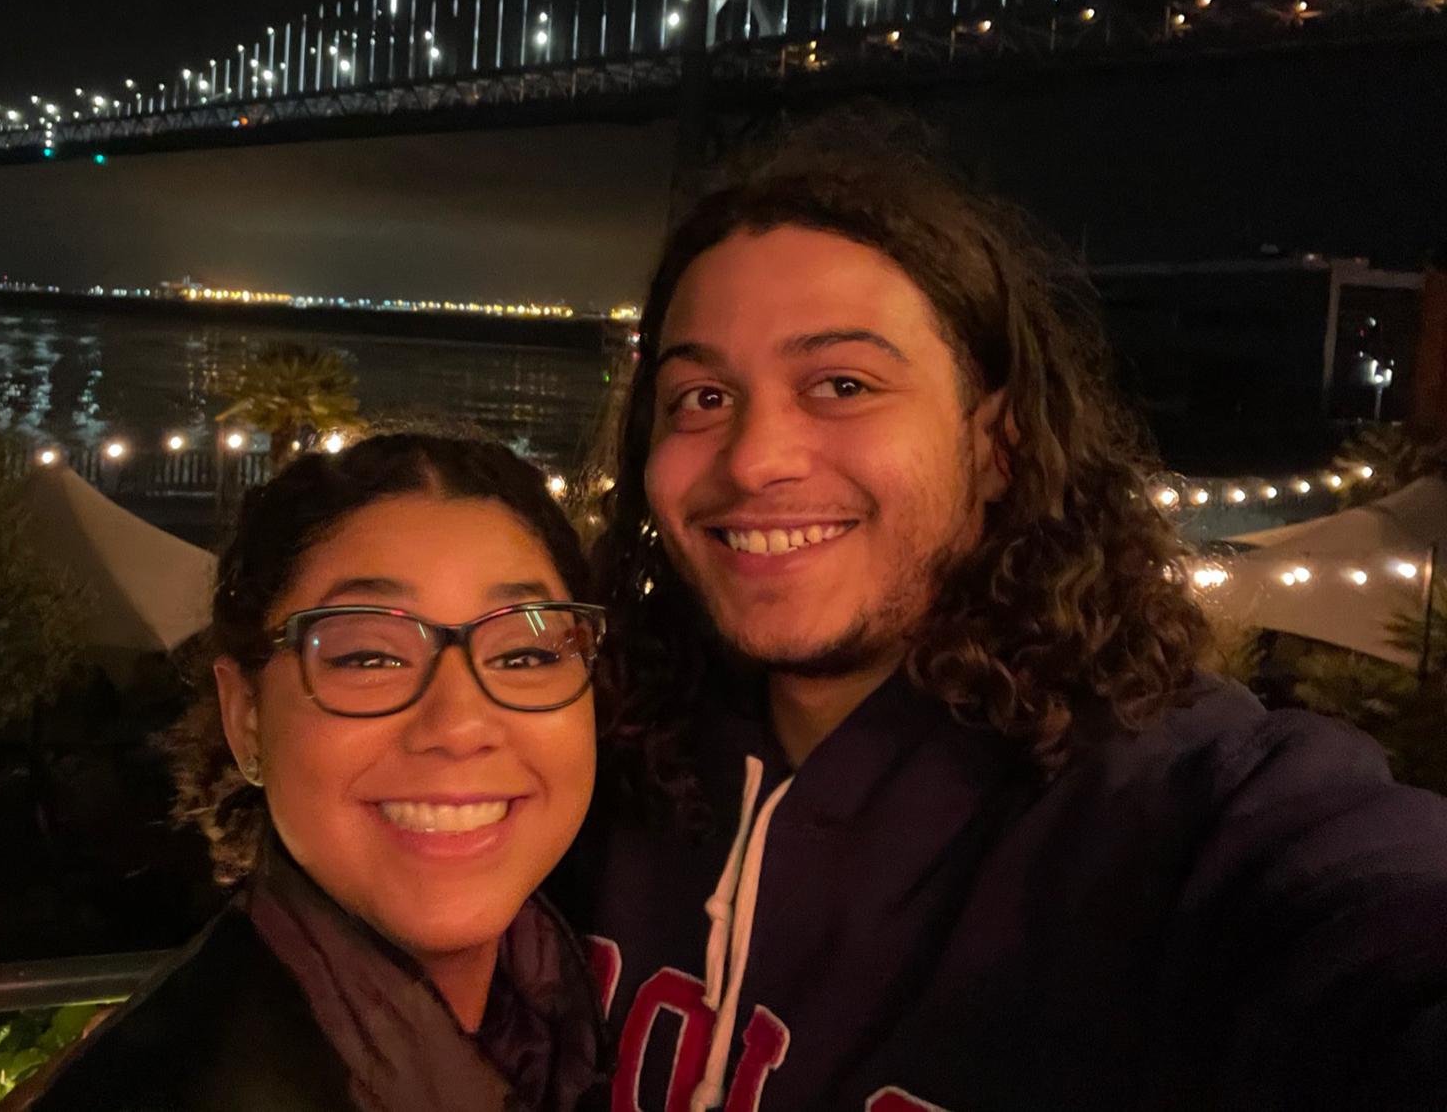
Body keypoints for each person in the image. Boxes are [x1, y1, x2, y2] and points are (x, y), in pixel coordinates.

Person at [563, 129, 1447, 1112]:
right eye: (700, 396)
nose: (753, 457)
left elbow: (1372, 922)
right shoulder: (581, 768)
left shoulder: (1165, 817)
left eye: (842, 385)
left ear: (997, 446)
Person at [17, 432, 608, 1112]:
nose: (457, 725)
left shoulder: (555, 1013)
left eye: (526, 653)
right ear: (247, 720)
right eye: (367, 657)